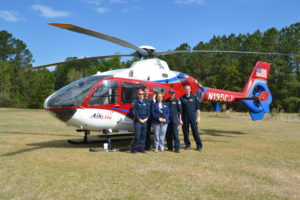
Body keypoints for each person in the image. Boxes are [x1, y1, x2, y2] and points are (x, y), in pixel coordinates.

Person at [180, 85, 203, 151]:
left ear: (190, 90)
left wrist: (198, 117)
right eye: (186, 89)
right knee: (185, 132)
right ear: (184, 90)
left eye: (188, 89)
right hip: (185, 118)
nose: (187, 90)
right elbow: (180, 111)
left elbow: (197, 109)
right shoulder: (181, 98)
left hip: (193, 117)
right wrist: (180, 119)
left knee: (195, 132)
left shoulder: (194, 98)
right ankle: (187, 145)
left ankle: (199, 146)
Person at [131, 89, 150, 153]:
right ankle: (134, 149)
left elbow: (148, 111)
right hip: (138, 122)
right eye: (140, 94)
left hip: (145, 121)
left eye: (142, 94)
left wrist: (146, 118)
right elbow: (135, 112)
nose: (141, 95)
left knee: (143, 136)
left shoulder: (146, 102)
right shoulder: (135, 102)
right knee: (137, 136)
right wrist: (139, 119)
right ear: (138, 95)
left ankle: (142, 149)